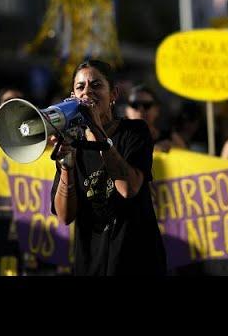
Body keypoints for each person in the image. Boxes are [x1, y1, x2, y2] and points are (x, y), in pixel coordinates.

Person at [50, 59, 166, 275]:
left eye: (96, 85)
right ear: (73, 97)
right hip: (91, 265)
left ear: (113, 95)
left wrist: (96, 130)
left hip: (136, 263)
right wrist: (67, 166)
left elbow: (128, 189)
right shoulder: (72, 141)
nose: (87, 92)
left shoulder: (135, 131)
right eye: (80, 87)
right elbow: (65, 216)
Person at [124, 84, 184, 152]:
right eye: (134, 105)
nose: (141, 110)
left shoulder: (171, 137)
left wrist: (174, 149)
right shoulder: (117, 140)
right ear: (127, 110)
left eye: (146, 105)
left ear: (156, 110)